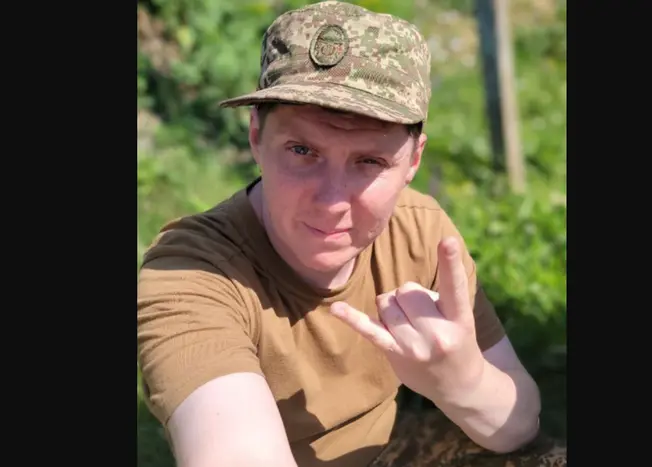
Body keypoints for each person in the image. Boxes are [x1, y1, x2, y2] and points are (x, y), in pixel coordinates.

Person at [136, 1, 566, 466]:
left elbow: (521, 425)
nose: (331, 200)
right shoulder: (191, 276)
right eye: (302, 150)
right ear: (255, 136)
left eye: (369, 161)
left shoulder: (419, 233)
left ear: (413, 161)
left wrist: (464, 383)